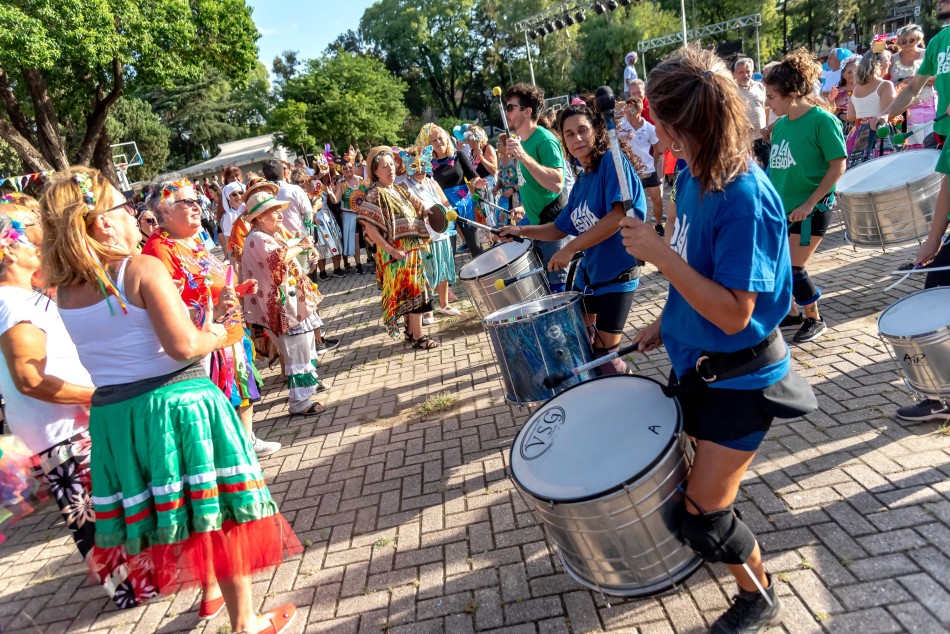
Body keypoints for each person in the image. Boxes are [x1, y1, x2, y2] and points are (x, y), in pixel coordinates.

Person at [42, 167, 300, 634]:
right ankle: (247, 622)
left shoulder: (65, 290)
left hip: (120, 416)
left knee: (182, 509)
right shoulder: (139, 267)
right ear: (102, 223)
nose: (133, 215)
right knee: (218, 511)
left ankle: (211, 593)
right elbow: (182, 346)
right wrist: (220, 332)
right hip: (175, 403)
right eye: (123, 207)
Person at [620, 47, 795, 634]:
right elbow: (699, 281)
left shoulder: (743, 195)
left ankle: (760, 596)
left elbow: (733, 313)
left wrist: (658, 253)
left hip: (741, 380)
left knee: (702, 514)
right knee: (701, 495)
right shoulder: (696, 176)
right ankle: (738, 560)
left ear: (673, 125)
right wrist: (663, 325)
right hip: (699, 366)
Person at [0, 203, 147, 607]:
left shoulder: (22, 296)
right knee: (97, 517)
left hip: (70, 425)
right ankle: (129, 591)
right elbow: (30, 378)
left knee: (105, 511)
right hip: (63, 431)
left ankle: (132, 580)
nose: (37, 240)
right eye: (26, 231)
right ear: (7, 249)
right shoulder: (11, 303)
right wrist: (95, 396)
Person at [500, 102, 647, 375]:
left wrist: (571, 250)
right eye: (569, 134)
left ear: (597, 131)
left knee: (605, 361)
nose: (577, 139)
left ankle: (626, 389)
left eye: (583, 130)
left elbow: (619, 217)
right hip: (589, 280)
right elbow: (559, 227)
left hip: (617, 278)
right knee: (576, 346)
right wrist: (520, 231)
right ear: (564, 141)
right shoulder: (582, 181)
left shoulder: (612, 163)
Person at [142, 179, 281, 458]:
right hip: (205, 342)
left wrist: (237, 290)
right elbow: (170, 305)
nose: (197, 207)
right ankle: (228, 454)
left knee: (242, 391)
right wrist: (215, 306)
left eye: (197, 201)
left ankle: (247, 441)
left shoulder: (191, 240)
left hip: (229, 332)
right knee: (220, 400)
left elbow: (209, 283)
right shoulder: (159, 250)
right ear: (165, 210)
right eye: (188, 202)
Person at [764, 48, 847, 344]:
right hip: (784, 209)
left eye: (772, 97)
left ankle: (814, 317)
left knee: (792, 267)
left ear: (791, 93)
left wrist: (810, 202)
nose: (768, 103)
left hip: (812, 210)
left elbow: (838, 165)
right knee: (777, 264)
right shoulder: (781, 126)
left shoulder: (822, 121)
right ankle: (791, 313)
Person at [241, 191, 328, 415]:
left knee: (304, 346)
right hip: (283, 307)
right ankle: (300, 402)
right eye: (274, 211)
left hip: (291, 302)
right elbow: (278, 258)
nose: (280, 215)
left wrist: (305, 250)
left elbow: (287, 255)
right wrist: (302, 245)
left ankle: (309, 385)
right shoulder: (258, 238)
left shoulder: (268, 234)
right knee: (297, 349)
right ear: (260, 217)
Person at [355, 146, 440, 349]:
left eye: (392, 164)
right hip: (396, 254)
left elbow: (418, 207)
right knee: (413, 292)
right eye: (385, 166)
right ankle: (419, 337)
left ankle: (411, 333)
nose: (391, 169)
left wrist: (431, 213)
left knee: (415, 292)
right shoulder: (375, 194)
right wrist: (392, 250)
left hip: (410, 251)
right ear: (375, 171)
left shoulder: (398, 189)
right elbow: (370, 229)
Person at [502, 83, 569, 292]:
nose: (506, 112)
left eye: (511, 107)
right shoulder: (522, 140)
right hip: (535, 223)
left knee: (559, 291)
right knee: (542, 289)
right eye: (506, 107)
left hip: (553, 226)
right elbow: (531, 183)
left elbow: (557, 182)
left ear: (527, 111)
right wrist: (523, 208)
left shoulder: (544, 140)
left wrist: (522, 156)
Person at [396, 145, 461, 319]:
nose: (420, 171)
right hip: (422, 237)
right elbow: (403, 213)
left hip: (441, 232)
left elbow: (445, 202)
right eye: (415, 167)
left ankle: (444, 304)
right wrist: (420, 213)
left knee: (443, 268)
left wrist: (451, 213)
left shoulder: (432, 182)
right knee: (425, 272)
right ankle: (427, 310)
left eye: (423, 166)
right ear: (408, 167)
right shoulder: (403, 185)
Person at [885, 3, 950, 148]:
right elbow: (913, 88)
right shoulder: (937, 41)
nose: (940, 3)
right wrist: (886, 114)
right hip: (943, 128)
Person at [417, 124, 488, 256]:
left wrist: (478, 183)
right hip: (444, 208)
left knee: (475, 246)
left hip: (464, 205)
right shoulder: (428, 164)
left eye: (440, 138)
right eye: (434, 140)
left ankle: (483, 275)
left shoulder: (458, 156)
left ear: (447, 138)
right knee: (449, 251)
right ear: (429, 144)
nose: (438, 142)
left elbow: (473, 177)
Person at [618, 96, 668, 235]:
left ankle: (658, 225)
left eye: (631, 109)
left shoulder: (649, 128)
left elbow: (658, 147)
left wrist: (655, 160)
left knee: (657, 199)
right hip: (629, 170)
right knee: (630, 202)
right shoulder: (621, 126)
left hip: (647, 169)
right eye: (627, 109)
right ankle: (634, 228)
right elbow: (612, 144)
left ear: (640, 109)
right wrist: (624, 139)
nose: (628, 112)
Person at [845, 47, 896, 166]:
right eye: (886, 60)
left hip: (858, 135)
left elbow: (850, 116)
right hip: (878, 132)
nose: (889, 63)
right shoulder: (885, 85)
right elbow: (889, 112)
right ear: (878, 63)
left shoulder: (856, 88)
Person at [889, 24, 937, 149]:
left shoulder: (926, 54)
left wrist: (919, 80)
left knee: (929, 139)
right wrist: (900, 83)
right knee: (909, 143)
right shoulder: (892, 59)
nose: (908, 44)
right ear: (899, 42)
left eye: (912, 40)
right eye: (903, 41)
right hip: (904, 106)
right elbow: (887, 83)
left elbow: (938, 77)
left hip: (926, 103)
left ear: (918, 39)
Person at [333, 153, 368, 274]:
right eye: (345, 169)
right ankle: (358, 264)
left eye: (349, 167)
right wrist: (330, 193)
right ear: (342, 171)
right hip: (349, 215)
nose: (348, 170)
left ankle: (370, 258)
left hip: (364, 214)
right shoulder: (341, 183)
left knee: (367, 236)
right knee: (355, 239)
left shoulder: (361, 180)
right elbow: (336, 200)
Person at [734, 58, 771, 169]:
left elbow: (766, 108)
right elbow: (728, 114)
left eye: (748, 71)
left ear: (752, 71)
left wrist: (767, 128)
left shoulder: (759, 87)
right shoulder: (731, 90)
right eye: (741, 72)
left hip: (762, 139)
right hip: (744, 142)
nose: (745, 75)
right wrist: (741, 123)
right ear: (735, 74)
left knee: (765, 171)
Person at [261, 158, 311, 239]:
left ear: (264, 175)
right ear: (284, 172)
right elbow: (308, 215)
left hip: (278, 243)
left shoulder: (261, 195)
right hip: (300, 239)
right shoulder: (295, 189)